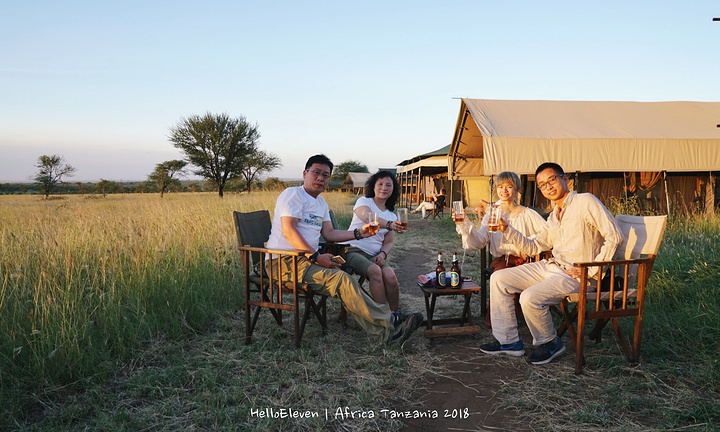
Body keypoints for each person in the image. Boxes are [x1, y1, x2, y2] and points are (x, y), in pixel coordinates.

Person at [265, 154, 423, 346]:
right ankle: (390, 325)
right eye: (316, 173)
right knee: (342, 279)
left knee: (346, 280)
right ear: (305, 173)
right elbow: (289, 231)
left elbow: (330, 234)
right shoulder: (293, 194)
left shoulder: (321, 203)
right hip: (284, 262)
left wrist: (359, 233)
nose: (321, 178)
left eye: (326, 175)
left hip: (306, 261)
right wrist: (315, 256)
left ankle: (384, 329)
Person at [480, 162, 624, 365]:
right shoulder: (554, 215)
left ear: (565, 179)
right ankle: (508, 342)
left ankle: (550, 342)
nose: (547, 186)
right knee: (498, 278)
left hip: (578, 274)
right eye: (541, 184)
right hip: (553, 266)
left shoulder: (585, 201)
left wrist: (592, 270)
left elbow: (615, 236)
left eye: (551, 180)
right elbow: (533, 247)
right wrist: (506, 229)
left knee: (529, 297)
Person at [454, 171, 546, 328]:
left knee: (518, 276)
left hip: (526, 261)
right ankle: (501, 324)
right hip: (502, 260)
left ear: (517, 189)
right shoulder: (491, 214)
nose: (504, 191)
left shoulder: (528, 214)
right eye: (501, 187)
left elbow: (546, 237)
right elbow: (479, 241)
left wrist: (530, 246)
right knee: (502, 274)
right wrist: (465, 224)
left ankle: (514, 321)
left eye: (509, 187)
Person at [344, 170, 405, 324]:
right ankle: (382, 318)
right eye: (380, 184)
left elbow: (389, 241)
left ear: (393, 190)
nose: (384, 188)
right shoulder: (364, 202)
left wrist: (383, 254)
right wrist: (390, 225)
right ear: (373, 186)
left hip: (375, 254)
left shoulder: (391, 214)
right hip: (352, 249)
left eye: (388, 185)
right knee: (375, 271)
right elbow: (367, 217)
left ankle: (394, 314)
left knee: (390, 275)